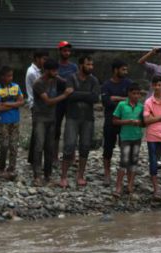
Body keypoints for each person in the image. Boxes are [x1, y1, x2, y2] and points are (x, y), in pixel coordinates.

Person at [31, 59, 74, 185]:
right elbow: (48, 101)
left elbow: (67, 83)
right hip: (40, 118)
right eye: (54, 71)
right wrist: (65, 95)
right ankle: (37, 175)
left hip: (51, 118)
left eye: (57, 70)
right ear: (46, 71)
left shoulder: (55, 78)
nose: (56, 73)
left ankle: (47, 175)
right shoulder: (38, 83)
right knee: (39, 146)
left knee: (49, 147)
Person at [61, 56, 100, 188]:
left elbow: (95, 98)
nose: (91, 67)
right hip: (72, 116)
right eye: (88, 64)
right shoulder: (71, 78)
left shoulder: (94, 80)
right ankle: (64, 177)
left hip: (88, 118)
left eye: (92, 65)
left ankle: (80, 176)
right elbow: (69, 96)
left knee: (85, 147)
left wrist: (77, 94)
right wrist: (85, 95)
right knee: (69, 146)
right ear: (81, 65)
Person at [101, 60, 132, 186]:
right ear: (115, 70)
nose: (126, 72)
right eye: (123, 69)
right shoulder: (106, 85)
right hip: (110, 120)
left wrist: (116, 98)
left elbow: (133, 99)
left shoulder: (129, 83)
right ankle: (107, 174)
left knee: (125, 148)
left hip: (125, 121)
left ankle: (123, 174)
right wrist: (123, 100)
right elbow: (106, 102)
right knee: (108, 148)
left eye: (126, 69)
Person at [112, 83, 144, 197]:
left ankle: (130, 185)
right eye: (134, 93)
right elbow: (114, 120)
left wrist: (140, 123)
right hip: (125, 137)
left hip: (137, 137)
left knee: (134, 161)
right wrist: (127, 122)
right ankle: (118, 186)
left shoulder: (141, 107)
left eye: (138, 94)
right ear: (129, 93)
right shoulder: (122, 105)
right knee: (124, 161)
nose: (136, 96)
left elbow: (144, 122)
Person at [0, 65, 24, 180]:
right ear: (2, 77)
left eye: (11, 75)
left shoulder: (16, 87)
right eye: (8, 76)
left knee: (13, 145)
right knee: (4, 145)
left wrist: (7, 104)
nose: (10, 78)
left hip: (15, 120)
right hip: (3, 121)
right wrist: (14, 104)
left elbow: (21, 102)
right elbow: (0, 108)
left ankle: (11, 168)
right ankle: (1, 167)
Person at [54, 41, 78, 164]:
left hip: (70, 100)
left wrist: (60, 79)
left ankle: (71, 156)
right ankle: (54, 156)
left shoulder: (73, 67)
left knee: (71, 128)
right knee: (56, 128)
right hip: (57, 100)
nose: (67, 52)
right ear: (59, 51)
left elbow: (75, 82)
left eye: (68, 50)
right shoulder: (55, 66)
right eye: (64, 50)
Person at [25, 50, 48, 166]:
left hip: (37, 104)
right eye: (43, 59)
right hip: (36, 104)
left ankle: (32, 159)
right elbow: (41, 88)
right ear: (37, 59)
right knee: (38, 134)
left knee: (36, 133)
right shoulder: (32, 73)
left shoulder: (37, 71)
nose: (45, 61)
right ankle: (35, 160)